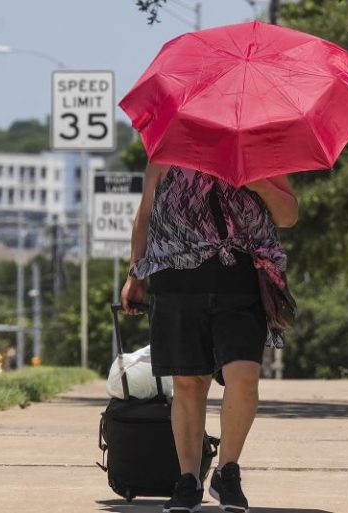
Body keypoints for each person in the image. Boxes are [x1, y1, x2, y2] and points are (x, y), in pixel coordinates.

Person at [121, 162, 298, 513]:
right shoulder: (167, 151)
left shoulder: (254, 149)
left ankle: (227, 472)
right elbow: (145, 215)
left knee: (245, 376)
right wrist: (135, 273)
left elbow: (288, 215)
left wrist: (258, 182)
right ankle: (188, 481)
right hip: (177, 280)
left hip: (241, 280)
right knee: (188, 384)